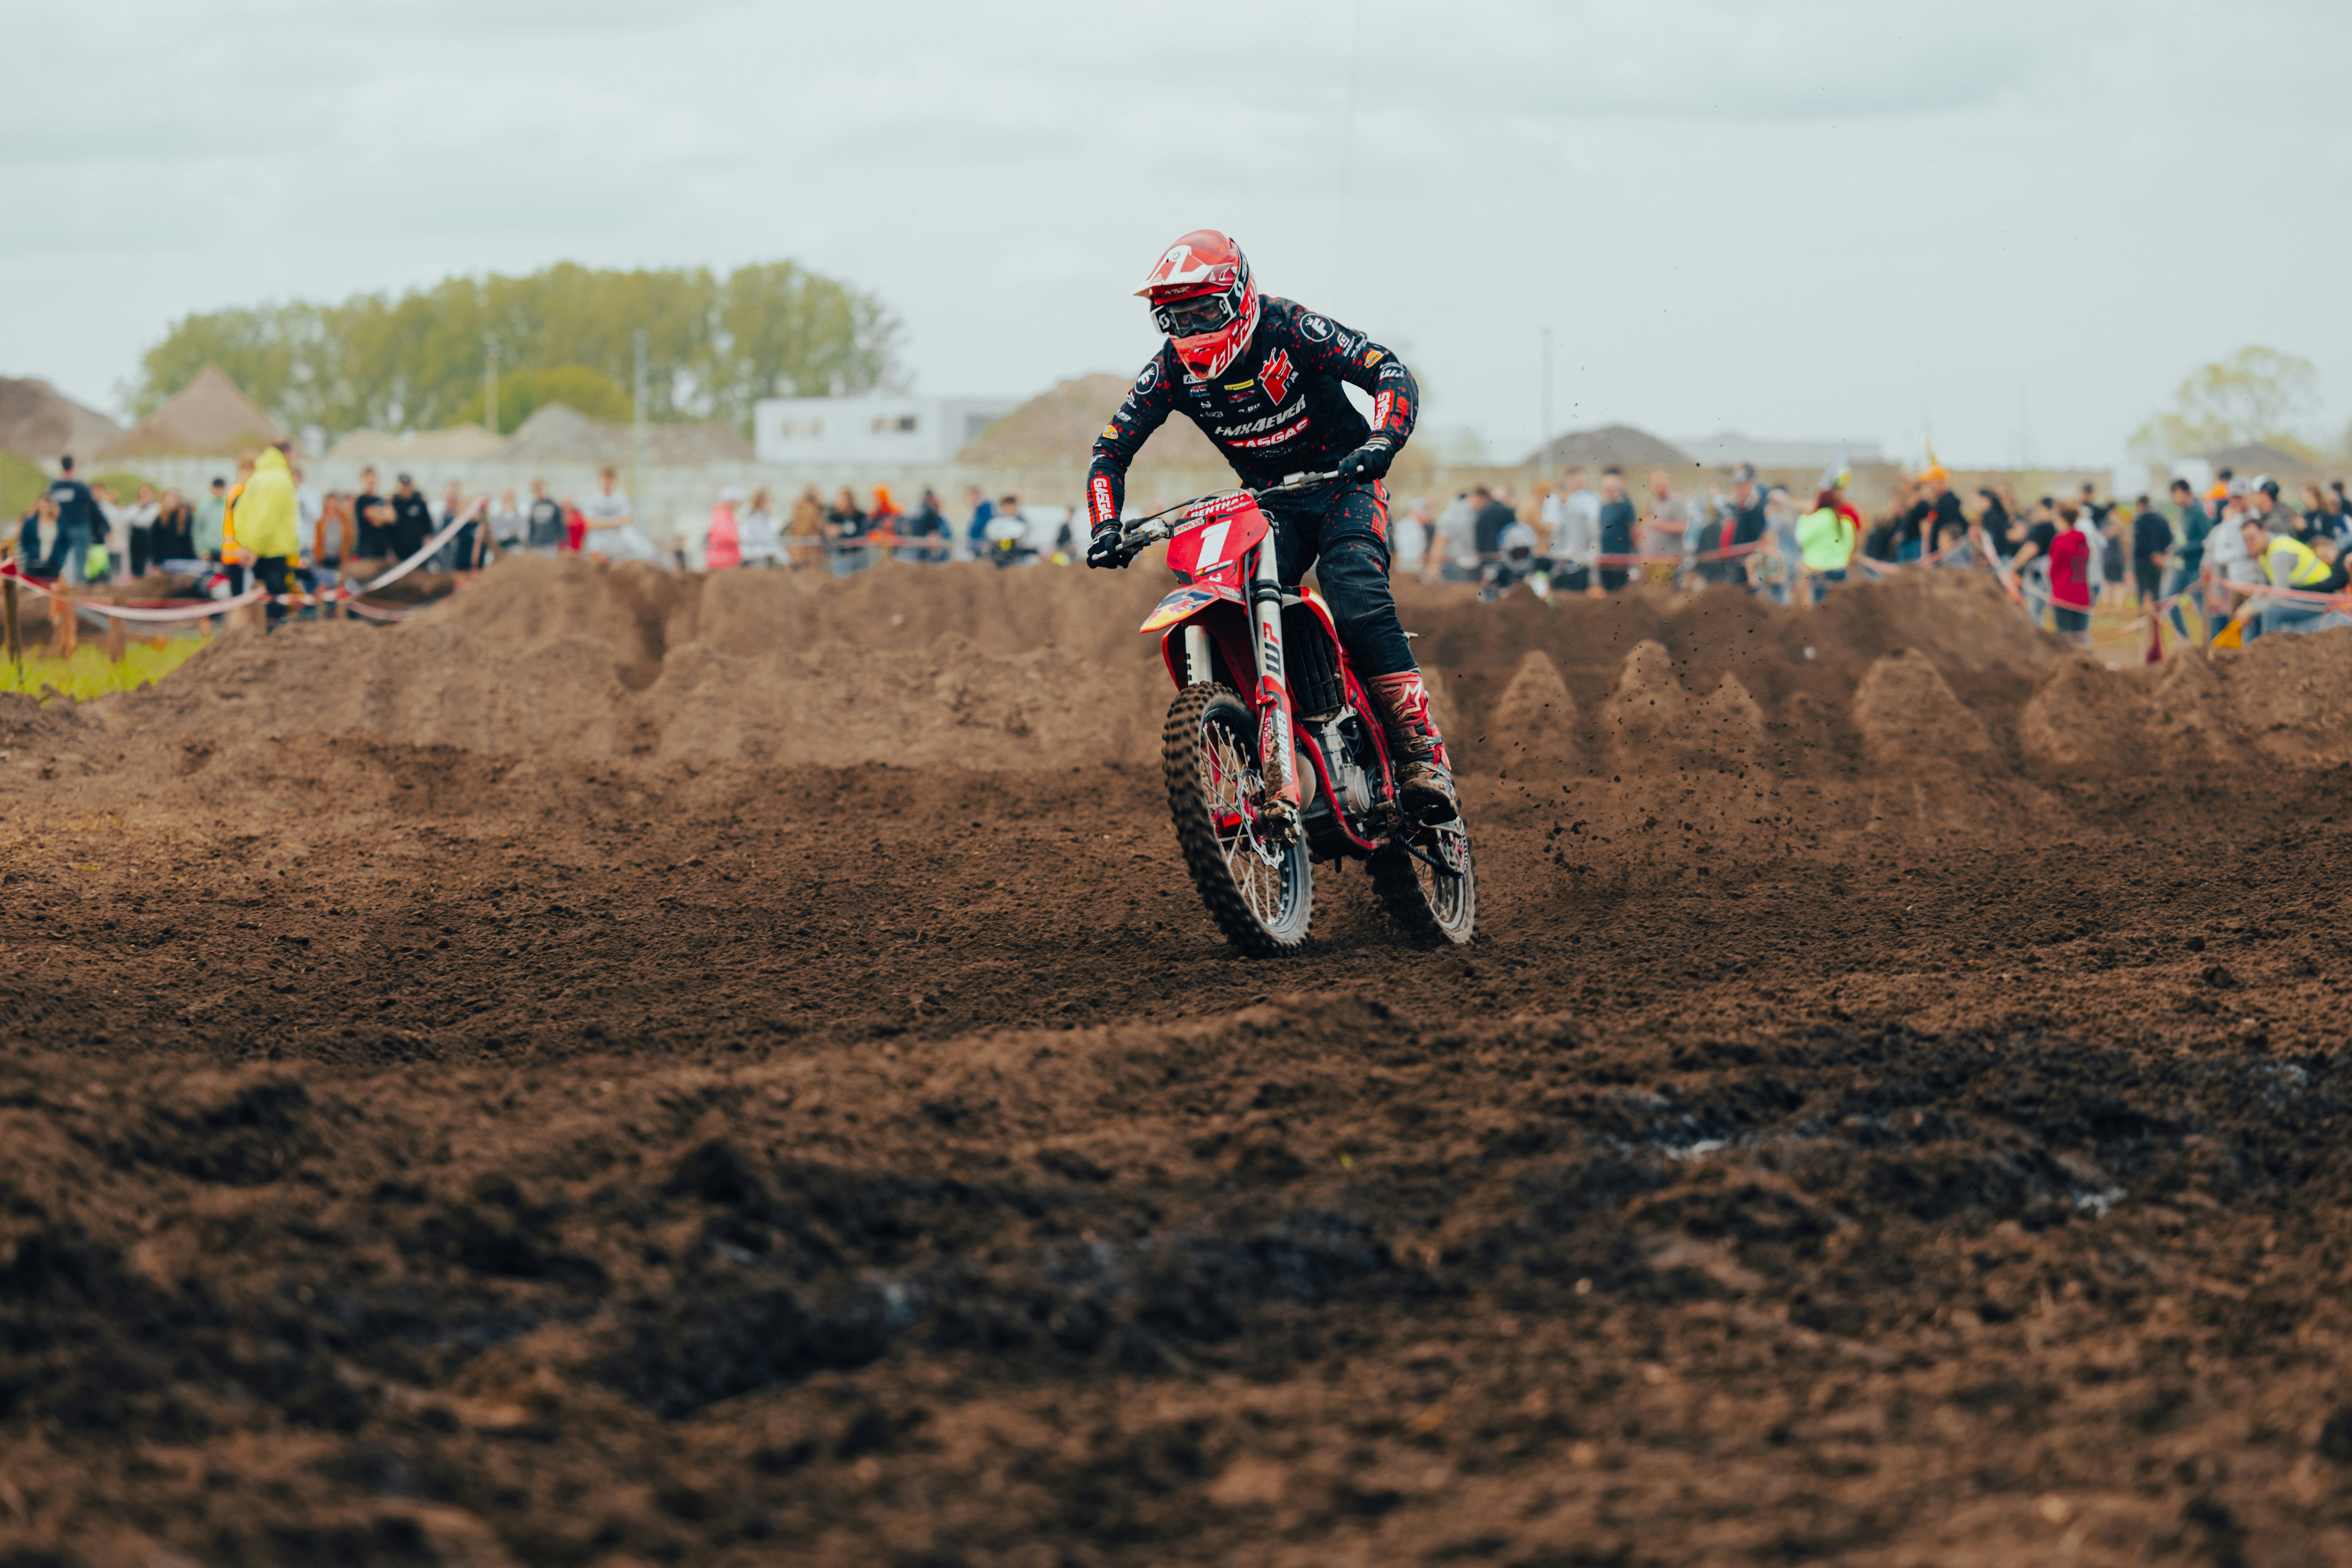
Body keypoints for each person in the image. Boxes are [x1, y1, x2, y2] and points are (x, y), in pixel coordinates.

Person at [1083, 228, 1454, 821]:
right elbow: (1110, 451)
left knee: (1354, 595)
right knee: (1232, 593)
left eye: (1205, 311)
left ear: (1239, 298)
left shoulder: (1292, 329)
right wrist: (1106, 526)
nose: (1194, 330)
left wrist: (1382, 439)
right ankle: (1277, 734)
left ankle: (1419, 753)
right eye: (1176, 319)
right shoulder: (1170, 372)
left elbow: (1386, 370)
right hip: (1269, 506)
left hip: (1344, 486)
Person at [2221, 514, 2340, 639]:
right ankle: (2251, 654)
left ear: (2264, 533)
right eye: (2245, 540)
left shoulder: (2279, 553)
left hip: (2320, 598)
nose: (2249, 544)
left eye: (2252, 538)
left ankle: (2269, 653)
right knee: (2253, 614)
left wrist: (2252, 609)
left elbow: (2280, 595)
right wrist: (2248, 607)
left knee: (2271, 613)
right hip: (2304, 595)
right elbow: (2264, 589)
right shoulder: (2263, 554)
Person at [233, 445, 302, 630]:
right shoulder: (281, 479)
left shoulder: (255, 479)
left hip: (256, 552)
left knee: (262, 605)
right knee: (276, 607)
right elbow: (269, 518)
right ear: (286, 455)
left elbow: (240, 514)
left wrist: (245, 545)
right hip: (274, 551)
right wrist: (255, 547)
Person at [1692, 464, 1767, 587]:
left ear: (1750, 484)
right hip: (1734, 561)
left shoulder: (1756, 509)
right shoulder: (1736, 508)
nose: (1740, 488)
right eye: (1738, 485)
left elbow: (1760, 536)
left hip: (1751, 561)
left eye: (1744, 484)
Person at [1794, 471, 1860, 605]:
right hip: (1840, 570)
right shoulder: (1846, 523)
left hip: (1817, 572)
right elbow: (1850, 546)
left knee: (1821, 614)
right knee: (1841, 610)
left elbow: (1801, 540)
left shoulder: (1810, 520)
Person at [2161, 477, 2213, 641]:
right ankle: (2183, 640)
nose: (2174, 498)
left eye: (2176, 493)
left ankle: (2211, 642)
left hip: (2197, 567)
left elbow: (2207, 540)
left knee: (2202, 608)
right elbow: (2183, 537)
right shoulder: (2182, 512)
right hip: (2182, 566)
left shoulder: (2199, 511)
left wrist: (2183, 549)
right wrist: (2174, 548)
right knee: (2169, 600)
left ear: (2186, 492)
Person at [1541, 467, 1599, 594]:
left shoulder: (1591, 499)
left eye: (1581, 479)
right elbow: (1550, 526)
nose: (1579, 482)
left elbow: (1595, 528)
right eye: (1576, 479)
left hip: (1582, 557)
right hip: (1559, 556)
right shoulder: (1554, 500)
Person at [2047, 503, 2094, 643]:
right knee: (2081, 635)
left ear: (2062, 519)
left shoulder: (2061, 540)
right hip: (2082, 591)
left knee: (2065, 638)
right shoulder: (2082, 539)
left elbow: (2053, 568)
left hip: (2063, 593)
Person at [1640, 469, 1696, 585]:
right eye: (1655, 483)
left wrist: (1658, 524)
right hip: (1655, 562)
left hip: (1672, 562)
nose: (1659, 486)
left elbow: (1682, 527)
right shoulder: (1654, 504)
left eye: (1661, 482)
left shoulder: (1677, 503)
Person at [1594, 467, 1636, 594]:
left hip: (1620, 557)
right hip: (1605, 556)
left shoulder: (1626, 505)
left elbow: (1633, 530)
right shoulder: (1604, 506)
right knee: (1607, 590)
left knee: (1620, 591)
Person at [14, 490, 71, 581]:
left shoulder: (60, 523)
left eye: (48, 504)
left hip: (53, 566)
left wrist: (60, 560)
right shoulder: (30, 523)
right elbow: (24, 541)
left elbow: (66, 544)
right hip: (33, 565)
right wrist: (31, 554)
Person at [2129, 495, 2170, 610]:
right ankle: (2156, 623)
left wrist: (2152, 553)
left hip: (2143, 560)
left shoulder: (2139, 520)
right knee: (2156, 592)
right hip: (2158, 560)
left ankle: (2142, 622)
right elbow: (2169, 537)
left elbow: (2140, 541)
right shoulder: (2161, 519)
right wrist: (2159, 553)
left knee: (2142, 593)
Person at [386, 473, 433, 561]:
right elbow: (388, 531)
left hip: (419, 554)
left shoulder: (420, 503)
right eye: (403, 485)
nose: (406, 488)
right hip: (399, 555)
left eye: (408, 485)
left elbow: (428, 527)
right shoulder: (394, 504)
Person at [826, 485, 871, 576]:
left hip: (859, 555)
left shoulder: (861, 516)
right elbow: (829, 532)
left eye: (843, 500)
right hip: (842, 557)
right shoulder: (834, 517)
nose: (840, 503)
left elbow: (864, 531)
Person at [897, 488, 950, 563]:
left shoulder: (914, 511)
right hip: (920, 554)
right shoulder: (930, 513)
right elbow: (933, 536)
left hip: (909, 553)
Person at [122, 482, 160, 580]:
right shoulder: (134, 507)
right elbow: (126, 518)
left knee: (148, 562)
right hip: (136, 536)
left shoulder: (157, 507)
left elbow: (148, 520)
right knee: (135, 562)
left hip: (149, 535)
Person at [352, 468, 392, 559]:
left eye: (373, 478)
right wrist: (383, 514)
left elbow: (392, 518)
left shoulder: (380, 500)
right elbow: (376, 521)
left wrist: (378, 514)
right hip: (367, 553)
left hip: (382, 553)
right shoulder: (361, 500)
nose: (372, 482)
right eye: (369, 479)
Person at [738, 488, 784, 567]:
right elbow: (749, 542)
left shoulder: (767, 520)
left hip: (766, 560)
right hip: (754, 561)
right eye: (766, 501)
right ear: (759, 502)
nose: (769, 504)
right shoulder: (752, 520)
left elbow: (774, 542)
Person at [153, 488, 194, 566]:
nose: (171, 502)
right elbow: (155, 543)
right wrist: (156, 563)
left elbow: (190, 542)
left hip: (184, 563)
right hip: (164, 563)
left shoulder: (187, 519)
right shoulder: (159, 520)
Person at [1393, 496, 1431, 579]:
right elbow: (1406, 549)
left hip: (1414, 566)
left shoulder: (1416, 525)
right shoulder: (1407, 525)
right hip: (1408, 568)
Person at [705, 488, 743, 570]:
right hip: (722, 561)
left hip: (729, 560)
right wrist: (740, 538)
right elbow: (723, 535)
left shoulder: (728, 515)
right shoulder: (720, 515)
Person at [487, 488, 525, 558]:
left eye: (510, 498)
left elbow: (522, 534)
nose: (507, 501)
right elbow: (496, 535)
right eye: (505, 499)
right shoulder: (496, 518)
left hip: (516, 548)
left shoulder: (520, 517)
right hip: (501, 548)